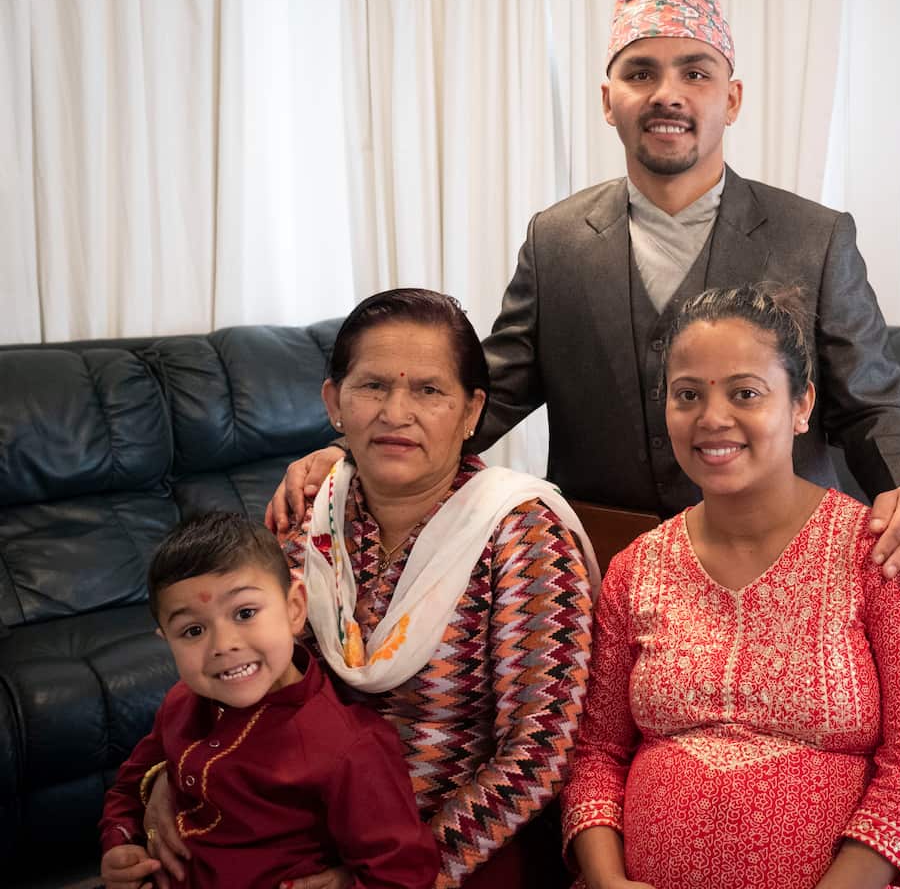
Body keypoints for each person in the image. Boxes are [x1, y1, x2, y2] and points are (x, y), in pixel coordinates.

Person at [268, 0, 900, 587]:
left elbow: (872, 405)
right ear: (607, 101)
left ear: (732, 99)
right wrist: (354, 456)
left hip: (778, 563)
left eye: (695, 73)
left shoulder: (815, 237)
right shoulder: (556, 240)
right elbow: (488, 394)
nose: (667, 94)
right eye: (641, 73)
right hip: (600, 566)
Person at [147, 289, 597, 889]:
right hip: (288, 836)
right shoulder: (308, 516)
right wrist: (165, 778)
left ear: (471, 411)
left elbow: (540, 753)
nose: (395, 412)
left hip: (454, 854)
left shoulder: (522, 534)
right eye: (373, 386)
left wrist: (392, 873)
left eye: (429, 390)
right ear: (335, 402)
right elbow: (236, 664)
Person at [561, 285, 900, 889]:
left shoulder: (883, 555)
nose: (712, 418)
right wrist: (607, 881)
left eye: (745, 392)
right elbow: (598, 755)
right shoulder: (636, 568)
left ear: (802, 406)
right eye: (687, 395)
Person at [99, 512, 439, 889]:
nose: (223, 645)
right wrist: (120, 842)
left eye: (245, 613)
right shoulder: (181, 702)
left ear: (294, 609)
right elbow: (128, 789)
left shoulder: (352, 748)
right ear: (167, 641)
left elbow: (403, 874)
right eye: (193, 631)